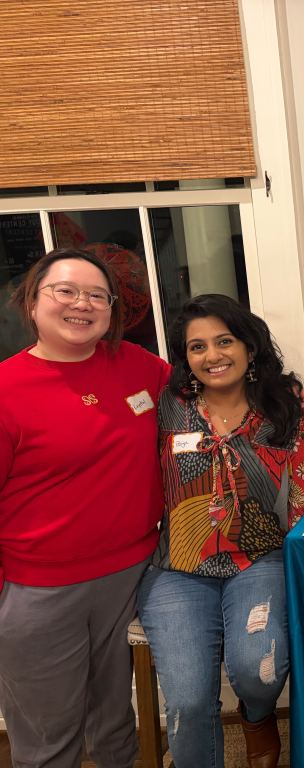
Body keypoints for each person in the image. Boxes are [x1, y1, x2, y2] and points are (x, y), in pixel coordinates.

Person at [137, 294, 304, 768]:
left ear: (249, 346)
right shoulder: (165, 407)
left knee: (259, 669)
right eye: (197, 347)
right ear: (185, 358)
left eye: (224, 341)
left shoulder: (285, 409)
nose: (212, 355)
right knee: (187, 702)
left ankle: (257, 716)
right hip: (177, 567)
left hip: (258, 558)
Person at [0, 248, 170, 766]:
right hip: (38, 590)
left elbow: (210, 394)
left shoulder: (138, 366)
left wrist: (283, 392)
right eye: (66, 291)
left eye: (98, 295)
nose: (82, 304)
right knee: (50, 737)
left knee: (116, 723)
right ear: (32, 302)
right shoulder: (6, 389)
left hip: (132, 575)